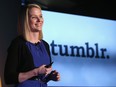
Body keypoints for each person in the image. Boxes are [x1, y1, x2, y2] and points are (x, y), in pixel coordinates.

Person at [4, 3, 60, 87]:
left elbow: (42, 77)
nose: (39, 20)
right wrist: (36, 71)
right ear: (26, 20)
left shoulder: (45, 45)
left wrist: (51, 76)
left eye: (40, 16)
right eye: (34, 17)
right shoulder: (18, 43)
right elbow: (9, 78)